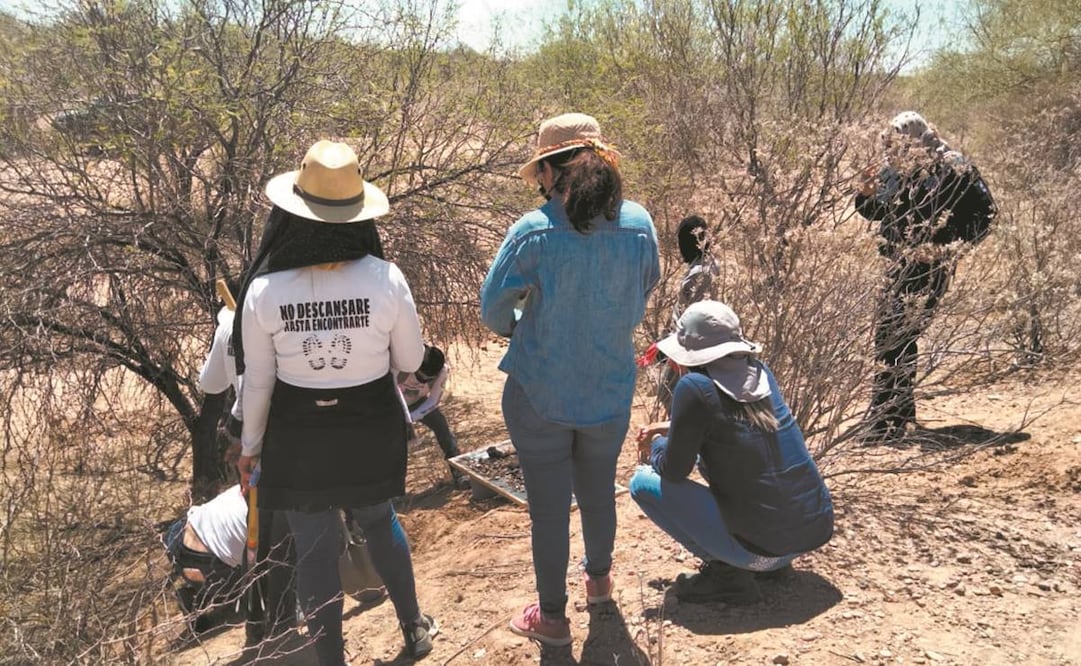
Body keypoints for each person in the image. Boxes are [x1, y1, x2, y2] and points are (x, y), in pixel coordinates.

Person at [234, 140, 438, 664]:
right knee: (379, 518)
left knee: (315, 548)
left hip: (298, 434)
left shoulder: (264, 290)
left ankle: (331, 659)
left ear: (292, 215)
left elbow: (258, 382)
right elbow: (412, 357)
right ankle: (414, 629)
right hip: (370, 423)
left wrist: (250, 448)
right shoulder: (385, 278)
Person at [480, 112, 660, 646]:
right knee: (599, 492)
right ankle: (600, 584)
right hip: (609, 388)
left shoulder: (534, 232)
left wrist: (526, 324)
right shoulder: (639, 224)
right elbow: (644, 287)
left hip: (541, 393)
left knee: (550, 510)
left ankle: (552, 618)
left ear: (548, 173)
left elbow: (493, 311)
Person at [629, 300, 834, 604]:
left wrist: (657, 445)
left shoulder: (695, 387)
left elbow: (673, 469)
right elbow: (727, 422)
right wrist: (669, 426)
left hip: (760, 554)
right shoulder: (760, 374)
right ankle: (769, 567)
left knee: (641, 482)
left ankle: (727, 574)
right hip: (804, 537)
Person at [855, 111, 996, 441]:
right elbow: (873, 210)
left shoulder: (952, 165)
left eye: (897, 140)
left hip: (929, 268)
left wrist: (946, 247)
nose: (891, 147)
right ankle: (895, 417)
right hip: (894, 267)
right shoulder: (894, 168)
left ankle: (885, 422)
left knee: (896, 337)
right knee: (892, 339)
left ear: (914, 137)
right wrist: (865, 192)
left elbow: (985, 214)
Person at [197, 294, 299, 651]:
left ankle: (259, 624)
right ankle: (281, 619)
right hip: (277, 435)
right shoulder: (280, 308)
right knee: (275, 532)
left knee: (257, 529)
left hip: (247, 438)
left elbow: (209, 385)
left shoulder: (228, 324)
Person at [163, 484, 249, 634]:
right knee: (250, 583)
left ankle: (197, 589)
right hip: (205, 558)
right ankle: (199, 596)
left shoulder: (251, 478)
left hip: (177, 533)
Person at [397, 344, 467, 488]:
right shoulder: (401, 363)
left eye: (427, 380)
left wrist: (411, 418)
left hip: (418, 403)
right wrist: (402, 418)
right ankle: (392, 486)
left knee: (441, 424)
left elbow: (433, 401)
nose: (421, 381)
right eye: (419, 376)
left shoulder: (442, 372)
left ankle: (459, 471)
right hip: (394, 404)